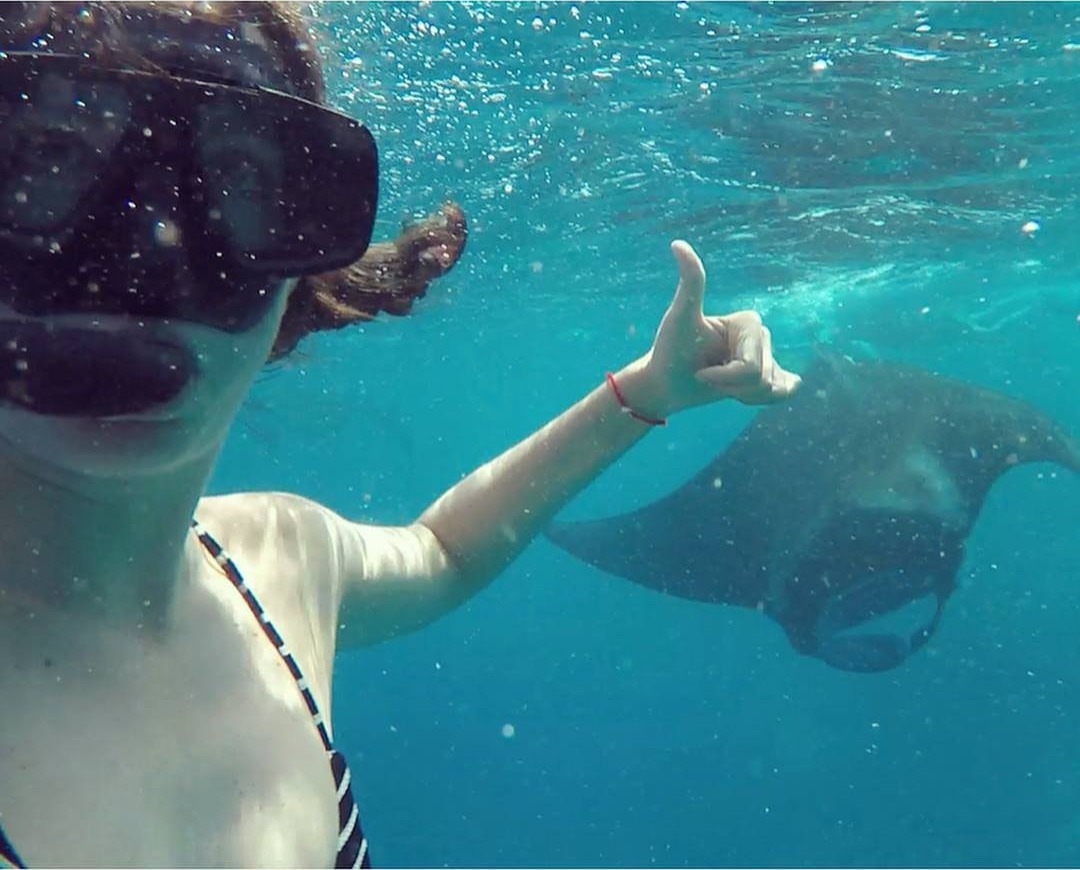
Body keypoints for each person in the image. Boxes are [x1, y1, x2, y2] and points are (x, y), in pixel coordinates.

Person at [0, 2, 801, 867]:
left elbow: (442, 552)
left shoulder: (278, 563)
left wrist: (647, 392)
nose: (147, 255)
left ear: (299, 266)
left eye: (234, 181)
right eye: (49, 159)